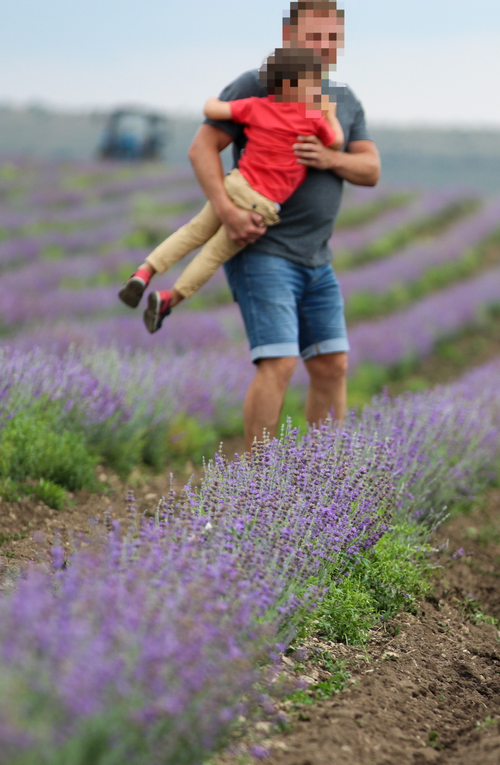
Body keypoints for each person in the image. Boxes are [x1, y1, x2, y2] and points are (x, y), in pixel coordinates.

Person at [177, 0, 379, 446]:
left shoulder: (341, 100)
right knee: (279, 363)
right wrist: (227, 213)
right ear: (290, 35)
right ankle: (257, 487)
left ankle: (323, 478)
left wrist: (329, 157)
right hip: (262, 249)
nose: (324, 47)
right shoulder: (259, 83)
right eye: (314, 36)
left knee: (332, 364)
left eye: (332, 38)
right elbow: (201, 148)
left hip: (316, 257)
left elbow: (371, 170)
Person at [118, 48, 344, 333]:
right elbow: (335, 142)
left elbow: (212, 109)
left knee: (191, 232)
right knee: (211, 256)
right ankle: (167, 299)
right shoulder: (311, 116)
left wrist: (214, 98)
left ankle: (143, 272)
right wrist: (330, 113)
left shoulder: (257, 105)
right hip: (260, 203)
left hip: (236, 184)